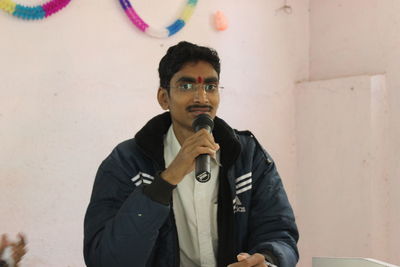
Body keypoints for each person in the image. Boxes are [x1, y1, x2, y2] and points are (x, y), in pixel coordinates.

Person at [84, 41, 299, 267]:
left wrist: (266, 260)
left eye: (210, 87)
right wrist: (167, 180)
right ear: (164, 98)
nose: (202, 98)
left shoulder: (248, 157)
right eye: (186, 87)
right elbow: (104, 259)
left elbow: (280, 234)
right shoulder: (127, 162)